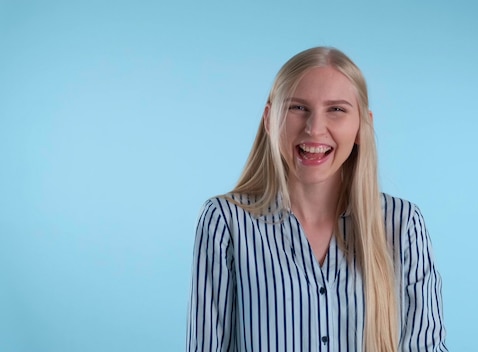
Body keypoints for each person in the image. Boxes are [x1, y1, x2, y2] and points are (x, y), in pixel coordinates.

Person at [186, 47, 448, 352]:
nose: (314, 128)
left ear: (363, 125)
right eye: (298, 108)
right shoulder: (225, 222)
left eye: (336, 109)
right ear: (270, 120)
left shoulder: (402, 224)